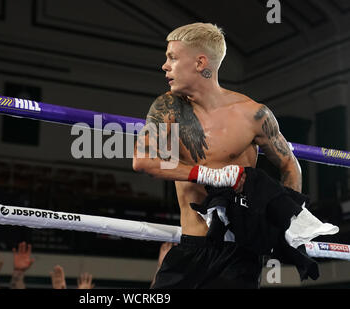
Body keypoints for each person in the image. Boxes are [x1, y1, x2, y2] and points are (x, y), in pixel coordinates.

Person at [133, 22, 337, 289]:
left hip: (238, 255)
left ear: (200, 62)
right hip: (191, 248)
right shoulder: (167, 107)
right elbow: (143, 161)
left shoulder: (253, 114)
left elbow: (289, 164)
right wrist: (207, 173)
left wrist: (285, 221)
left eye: (172, 57)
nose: (165, 66)